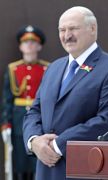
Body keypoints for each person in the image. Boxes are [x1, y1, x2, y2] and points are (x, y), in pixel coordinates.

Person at [22, 6, 108, 180]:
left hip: (87, 169)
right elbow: (34, 111)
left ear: (93, 29)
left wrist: (58, 145)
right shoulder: (53, 68)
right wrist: (34, 141)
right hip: (46, 169)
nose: (67, 35)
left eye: (73, 28)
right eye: (62, 30)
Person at [1, 25, 49, 180]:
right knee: (19, 164)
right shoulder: (13, 69)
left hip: (41, 121)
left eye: (33, 42)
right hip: (18, 121)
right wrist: (5, 124)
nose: (29, 45)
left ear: (39, 45)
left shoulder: (47, 69)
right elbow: (7, 100)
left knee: (37, 164)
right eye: (26, 42)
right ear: (20, 46)